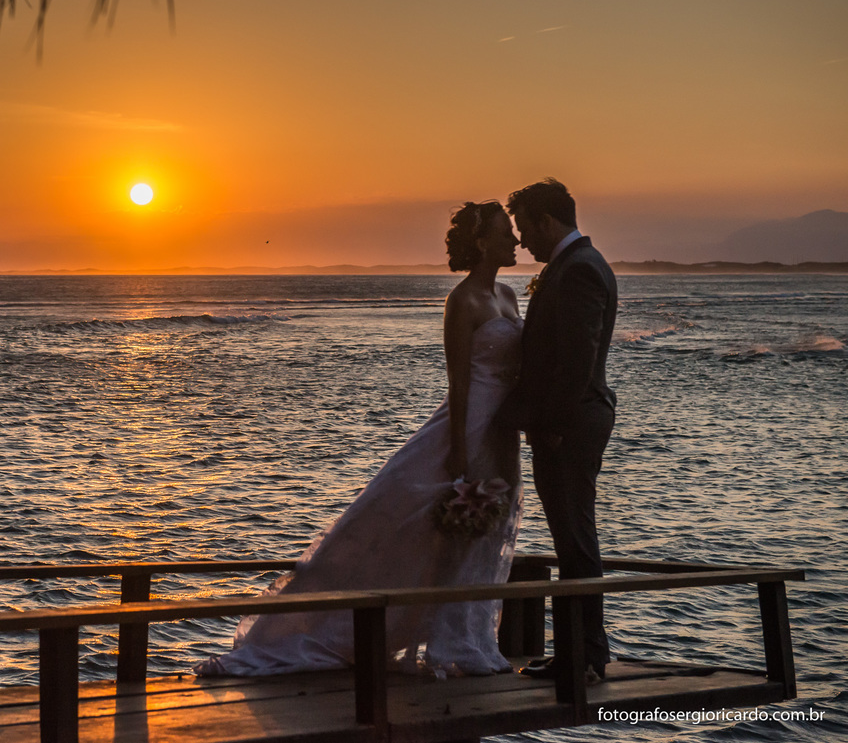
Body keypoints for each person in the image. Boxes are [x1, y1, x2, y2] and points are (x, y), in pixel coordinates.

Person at [195, 201, 524, 678]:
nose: (513, 239)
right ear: (482, 241)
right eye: (505, 231)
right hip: (469, 424)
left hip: (501, 429)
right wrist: (459, 450)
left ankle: (469, 641)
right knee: (426, 528)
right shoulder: (463, 300)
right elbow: (458, 383)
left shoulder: (511, 296)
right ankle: (322, 628)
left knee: (482, 536)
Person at [496, 178, 617, 684]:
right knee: (571, 538)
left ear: (547, 221)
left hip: (571, 425)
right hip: (568, 422)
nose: (522, 240)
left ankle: (583, 656)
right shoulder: (574, 266)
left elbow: (576, 361)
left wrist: (551, 429)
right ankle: (580, 651)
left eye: (525, 227)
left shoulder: (580, 270)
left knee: (574, 538)